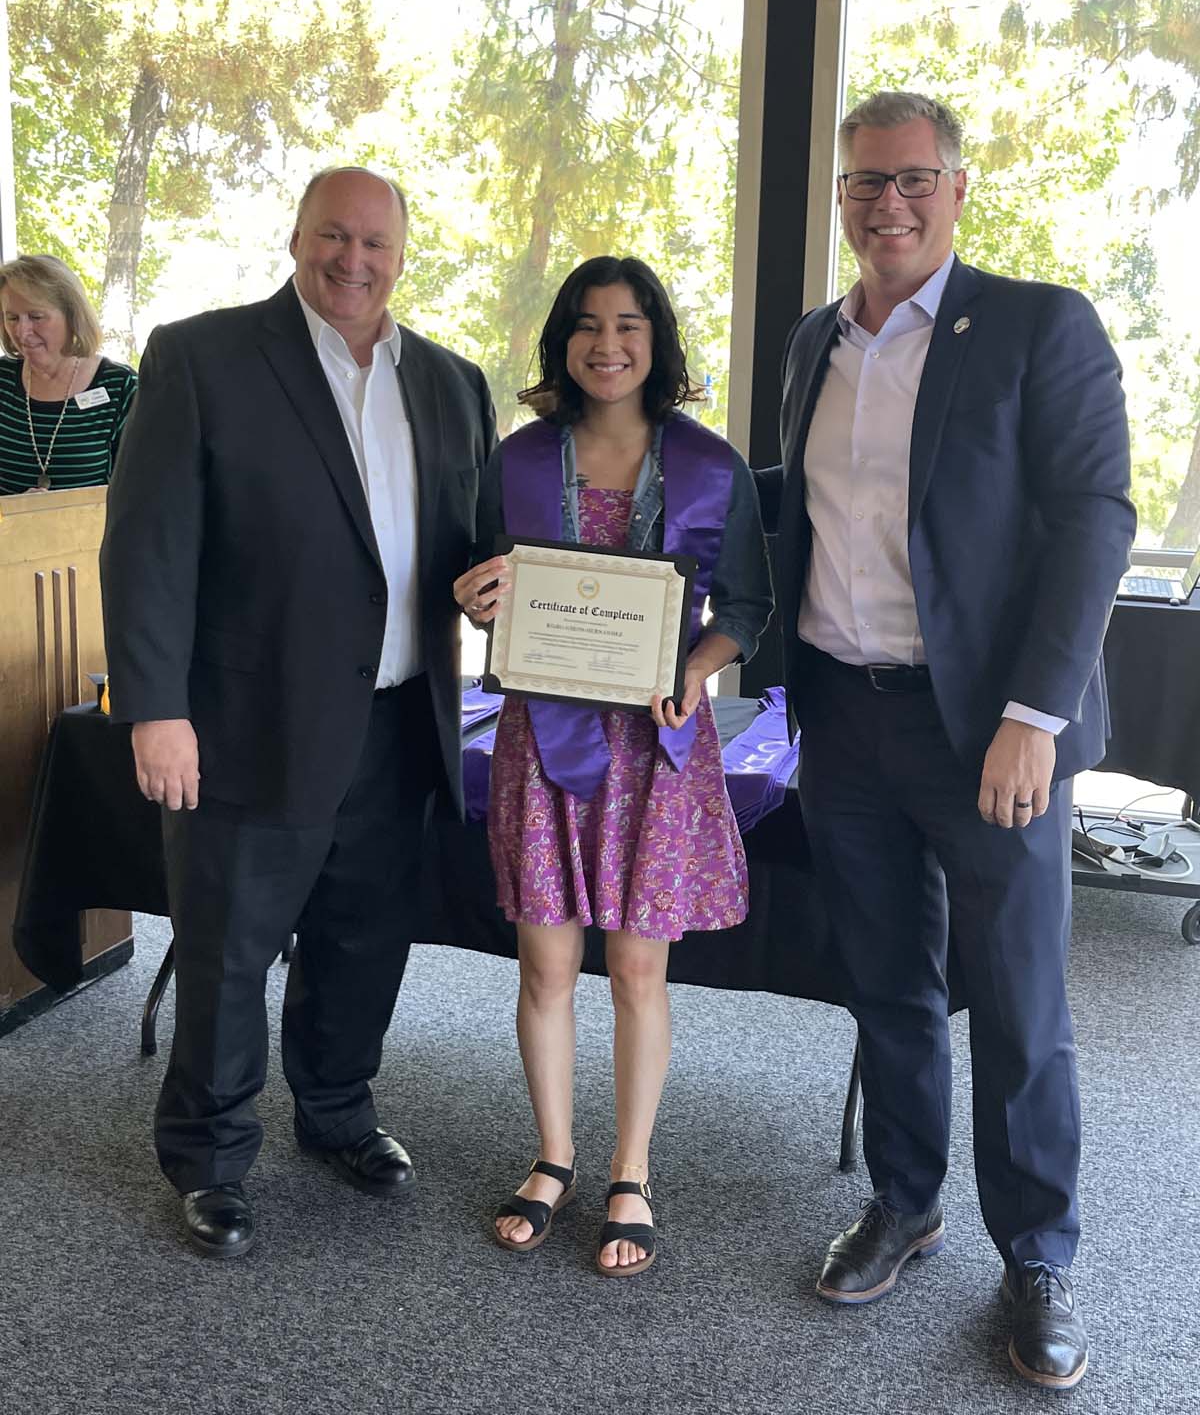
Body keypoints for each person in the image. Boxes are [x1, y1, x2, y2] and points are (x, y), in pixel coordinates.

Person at [759, 91, 1134, 1388]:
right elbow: (792, 521)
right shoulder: (815, 341)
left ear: (958, 189)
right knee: (889, 985)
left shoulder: (1037, 325)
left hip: (987, 734)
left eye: (912, 178)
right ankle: (905, 1202)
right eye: (864, 182)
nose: (887, 204)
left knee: (1021, 1001)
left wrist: (1034, 718)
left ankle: (1037, 1249)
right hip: (844, 719)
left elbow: (1095, 519)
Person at [100, 167, 495, 1258]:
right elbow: (146, 548)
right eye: (333, 236)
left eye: (375, 242)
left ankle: (336, 1112)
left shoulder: (455, 382)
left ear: (404, 253)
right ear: (296, 236)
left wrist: (492, 583)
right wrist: (154, 709)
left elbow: (470, 545)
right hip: (244, 719)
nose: (352, 260)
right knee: (229, 947)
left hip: (400, 722)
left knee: (363, 938)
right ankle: (211, 1156)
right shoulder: (203, 356)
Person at [454, 255, 772, 1276]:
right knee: (547, 964)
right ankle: (553, 1156)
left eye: (629, 325)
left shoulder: (713, 468)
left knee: (637, 967)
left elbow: (750, 611)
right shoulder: (516, 461)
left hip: (657, 747)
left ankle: (630, 1169)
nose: (608, 344)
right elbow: (475, 579)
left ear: (656, 340)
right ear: (564, 341)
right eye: (588, 325)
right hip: (543, 740)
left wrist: (696, 664)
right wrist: (476, 598)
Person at [0, 254, 136, 495]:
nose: (21, 331)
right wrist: (14, 514)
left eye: (36, 317)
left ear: (72, 316)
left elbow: (141, 493)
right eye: (12, 318)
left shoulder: (121, 387)